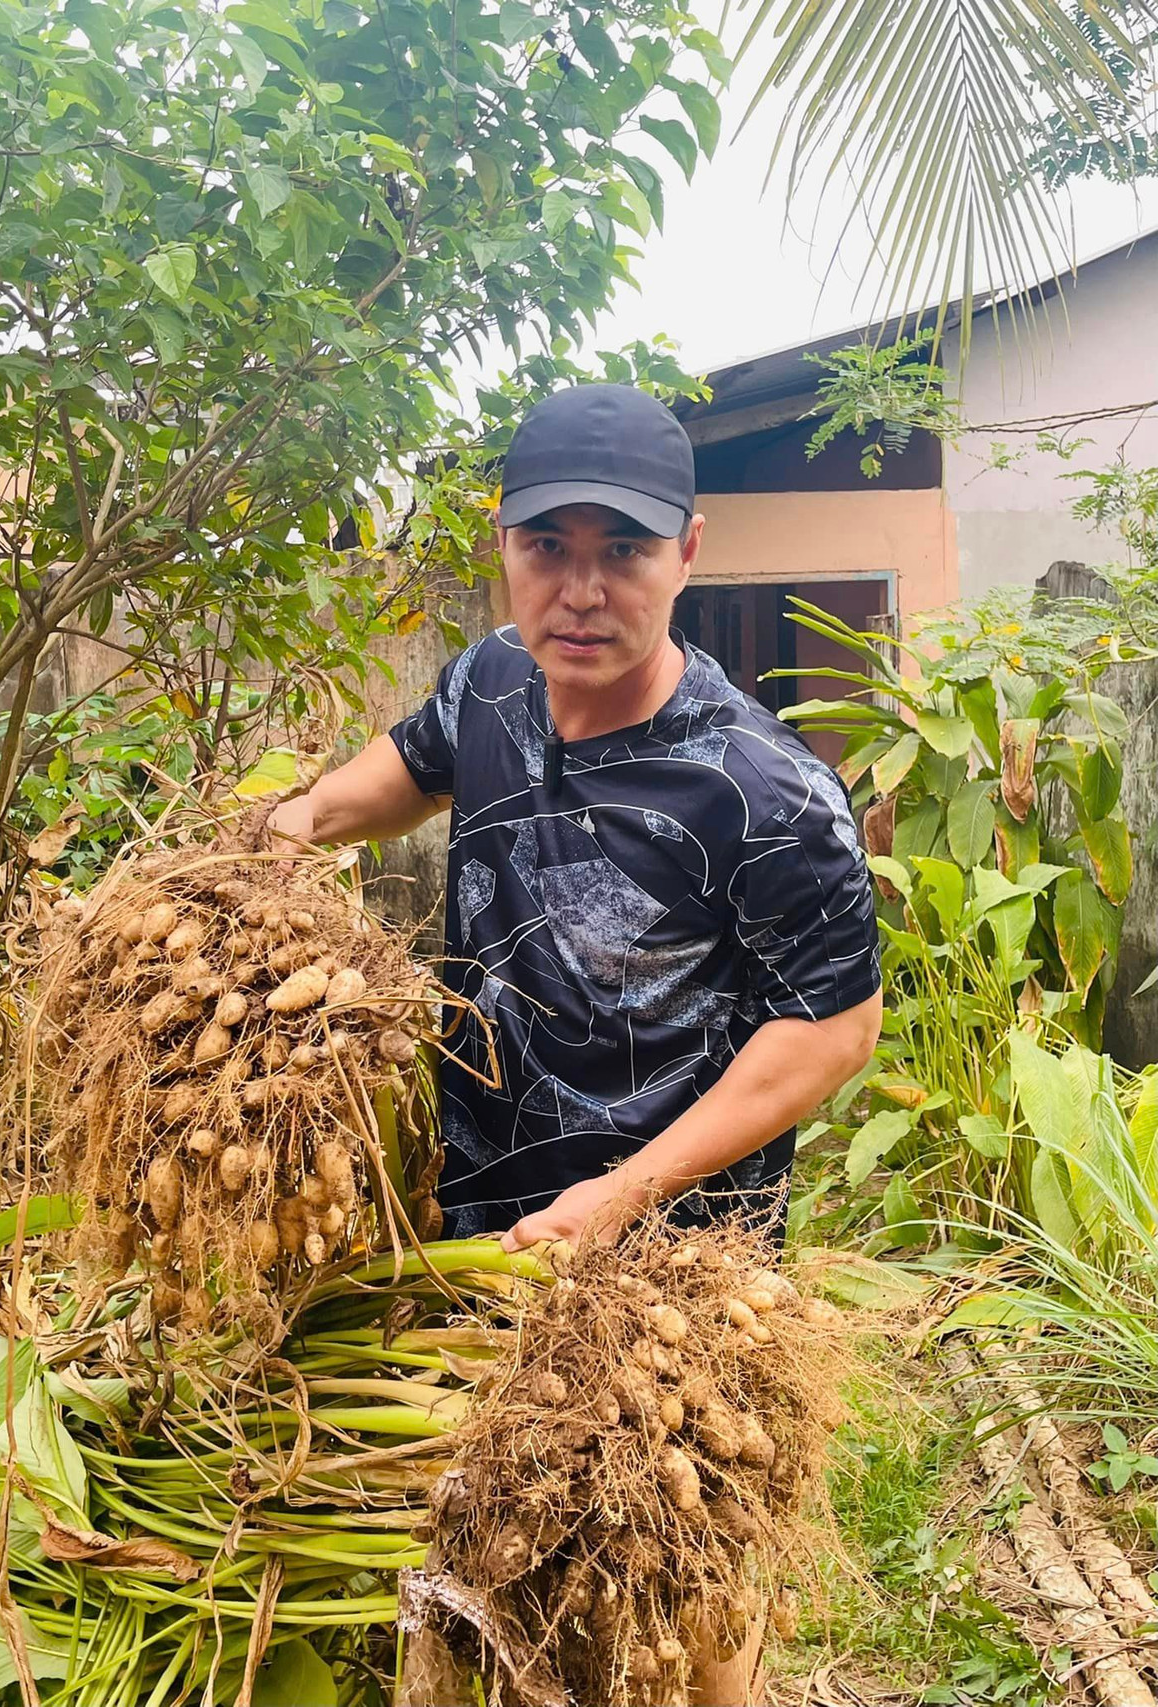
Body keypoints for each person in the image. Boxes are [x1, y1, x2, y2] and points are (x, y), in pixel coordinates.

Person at [272, 382, 882, 1704]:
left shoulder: (764, 791)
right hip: (484, 1239)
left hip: (671, 1270)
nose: (584, 590)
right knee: (509, 1573)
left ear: (689, 555)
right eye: (551, 547)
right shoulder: (493, 679)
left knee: (686, 1588)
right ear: (505, 545)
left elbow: (833, 1030)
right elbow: (409, 764)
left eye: (626, 551)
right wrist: (285, 830)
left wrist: (614, 1199)